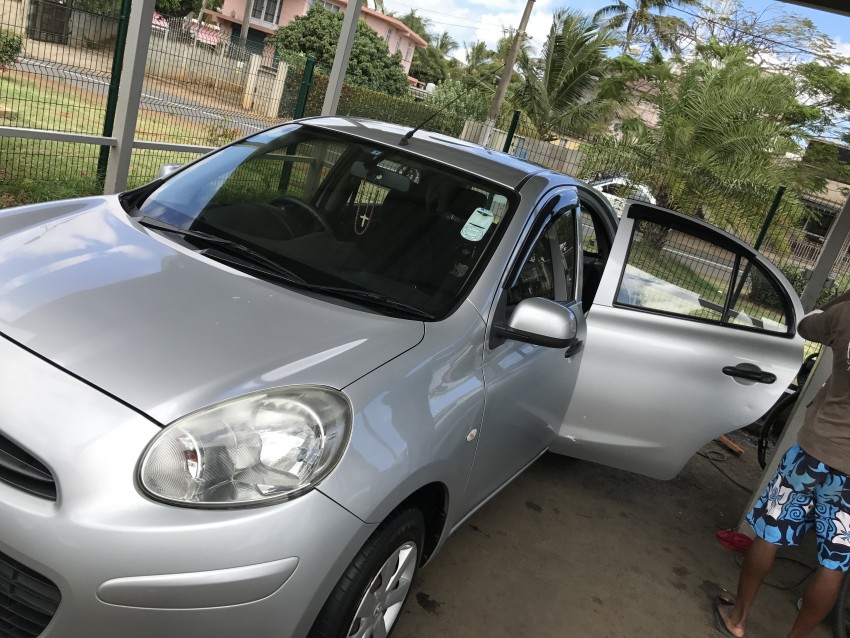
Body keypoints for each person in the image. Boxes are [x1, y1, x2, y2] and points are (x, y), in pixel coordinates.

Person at [715, 290, 850, 638]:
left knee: (770, 534)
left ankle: (738, 619)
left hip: (814, 452)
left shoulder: (845, 314)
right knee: (832, 564)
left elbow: (807, 326)